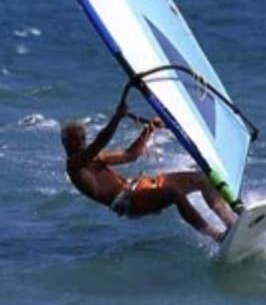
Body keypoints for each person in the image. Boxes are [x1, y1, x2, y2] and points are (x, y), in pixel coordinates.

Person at [61, 99, 238, 242]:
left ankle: (231, 223)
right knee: (174, 193)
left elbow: (130, 155)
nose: (81, 143)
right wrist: (116, 118)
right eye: (76, 140)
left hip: (139, 187)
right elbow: (100, 141)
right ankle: (216, 236)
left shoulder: (94, 156)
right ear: (67, 143)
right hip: (131, 202)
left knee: (201, 179)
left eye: (83, 138)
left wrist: (149, 129)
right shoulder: (74, 166)